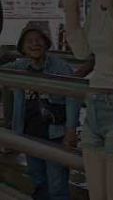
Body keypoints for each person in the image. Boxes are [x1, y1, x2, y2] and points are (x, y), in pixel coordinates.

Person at [60, 0, 113, 199]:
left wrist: (112, 8)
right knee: (97, 193)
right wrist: (70, 8)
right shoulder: (97, 2)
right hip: (94, 101)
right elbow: (81, 51)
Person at [1, 22, 79, 200]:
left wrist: (70, 130)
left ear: (46, 43)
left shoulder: (60, 67)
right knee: (38, 180)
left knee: (57, 185)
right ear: (22, 47)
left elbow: (73, 97)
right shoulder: (20, 66)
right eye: (29, 41)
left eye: (38, 40)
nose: (34, 44)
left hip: (55, 134)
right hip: (29, 133)